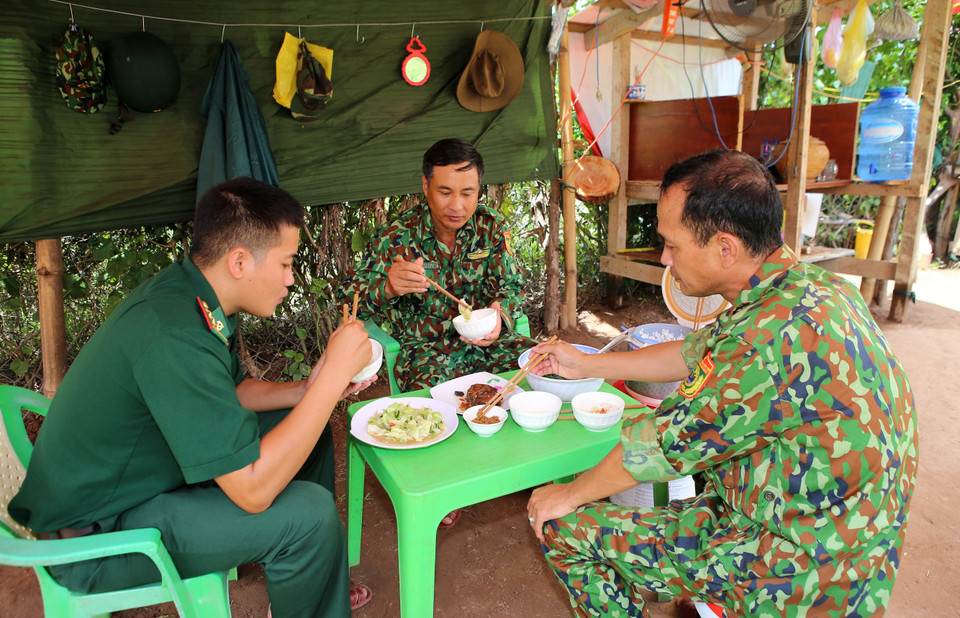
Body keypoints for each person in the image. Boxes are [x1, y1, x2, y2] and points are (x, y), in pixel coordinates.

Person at [525, 149, 918, 618]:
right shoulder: (813, 288)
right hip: (855, 541)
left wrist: (565, 494)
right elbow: (695, 352)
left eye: (672, 244)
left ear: (725, 248)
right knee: (699, 490)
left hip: (801, 565)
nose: (665, 258)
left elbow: (653, 449)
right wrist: (588, 364)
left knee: (565, 527)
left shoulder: (762, 339)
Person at [10, 177, 377, 616]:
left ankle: (306, 576)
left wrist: (308, 388)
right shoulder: (173, 333)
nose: (290, 278)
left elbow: (234, 391)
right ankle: (305, 550)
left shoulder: (192, 295)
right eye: (285, 263)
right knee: (310, 518)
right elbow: (253, 492)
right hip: (96, 539)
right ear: (239, 261)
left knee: (305, 431)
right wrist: (334, 375)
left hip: (135, 484)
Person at [343, 138, 532, 393]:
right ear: (425, 185)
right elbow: (348, 299)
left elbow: (513, 287)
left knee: (546, 372)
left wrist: (502, 314)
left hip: (489, 344)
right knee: (433, 410)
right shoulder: (396, 237)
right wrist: (387, 287)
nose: (456, 206)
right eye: (445, 192)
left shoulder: (491, 227)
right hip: (426, 353)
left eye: (468, 194)